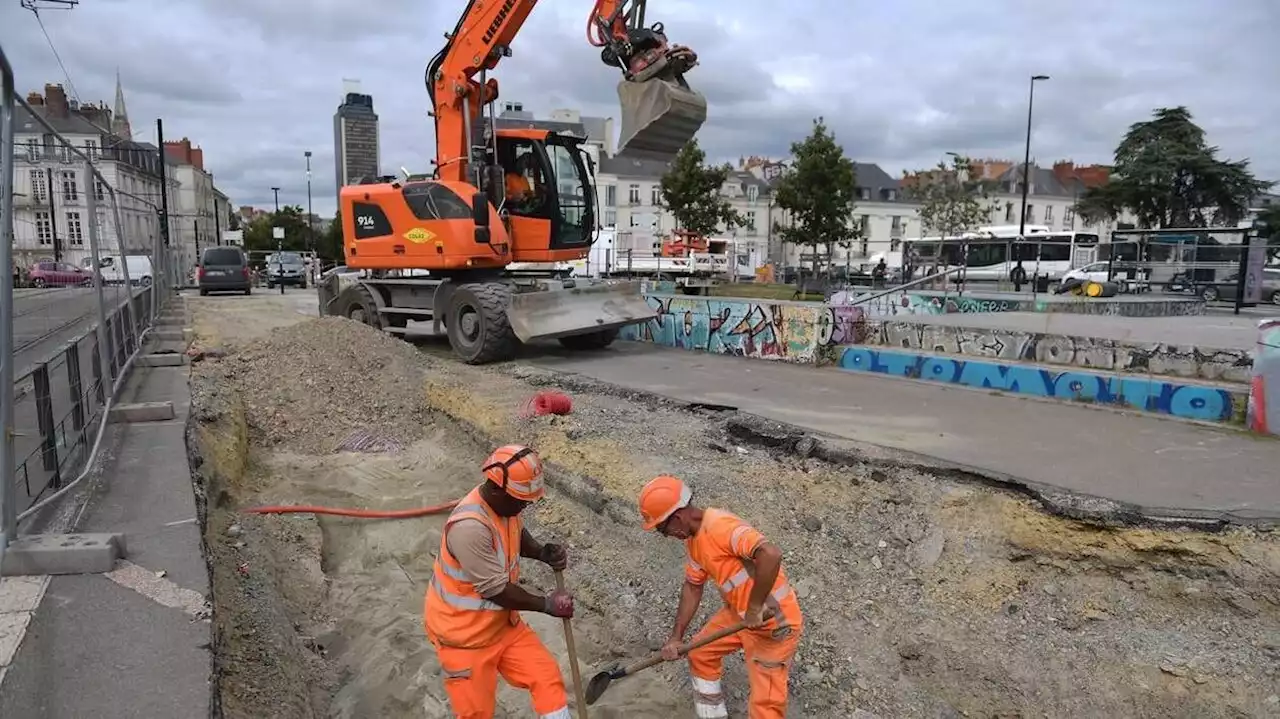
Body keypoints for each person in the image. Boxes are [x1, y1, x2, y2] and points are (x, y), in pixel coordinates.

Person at [423, 444, 574, 719]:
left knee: (547, 679)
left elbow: (515, 532)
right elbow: (496, 590)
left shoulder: (506, 508)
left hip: (502, 627)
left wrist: (541, 552)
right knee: (476, 713)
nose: (524, 506)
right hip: (464, 639)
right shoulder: (469, 528)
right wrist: (546, 604)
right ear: (495, 487)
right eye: (520, 500)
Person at [638, 475, 803, 719]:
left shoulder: (721, 527)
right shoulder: (695, 541)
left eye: (663, 529)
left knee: (765, 705)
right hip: (740, 616)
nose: (667, 535)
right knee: (700, 653)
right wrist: (676, 638)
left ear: (678, 517)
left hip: (774, 622)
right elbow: (693, 587)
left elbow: (771, 554)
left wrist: (756, 607)